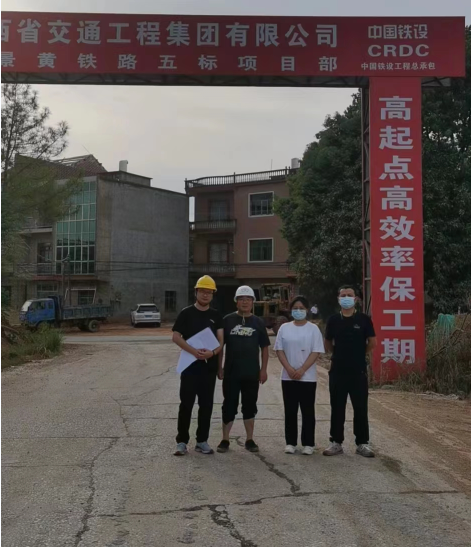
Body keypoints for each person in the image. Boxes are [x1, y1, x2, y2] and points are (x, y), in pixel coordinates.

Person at [172, 275, 224, 456]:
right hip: (190, 366)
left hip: (208, 368)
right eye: (202, 291)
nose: (205, 295)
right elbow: (176, 337)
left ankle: (202, 441)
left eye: (209, 292)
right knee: (186, 404)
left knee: (206, 405)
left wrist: (213, 354)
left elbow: (221, 342)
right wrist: (193, 351)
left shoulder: (216, 316)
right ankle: (181, 442)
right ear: (196, 292)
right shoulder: (186, 313)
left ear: (213, 294)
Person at [323, 285, 377, 458]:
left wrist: (359, 354)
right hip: (337, 371)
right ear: (338, 299)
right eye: (343, 295)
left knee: (360, 408)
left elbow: (372, 342)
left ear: (355, 299)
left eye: (349, 295)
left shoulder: (364, 319)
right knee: (337, 408)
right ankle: (336, 442)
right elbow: (328, 343)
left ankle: (362, 443)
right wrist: (339, 354)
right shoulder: (333, 320)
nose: (346, 298)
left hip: (358, 371)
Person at [217, 285, 270, 454]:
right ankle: (225, 439)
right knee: (229, 405)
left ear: (253, 302)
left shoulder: (258, 322)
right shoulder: (227, 320)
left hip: (251, 373)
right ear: (236, 302)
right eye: (241, 299)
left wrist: (263, 370)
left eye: (248, 299)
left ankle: (249, 439)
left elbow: (265, 348)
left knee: (250, 406)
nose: (245, 302)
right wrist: (219, 367)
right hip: (231, 373)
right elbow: (220, 346)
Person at [275, 296, 324, 455]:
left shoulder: (313, 329)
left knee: (307, 410)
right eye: (295, 308)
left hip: (307, 377)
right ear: (291, 310)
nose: (298, 311)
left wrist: (302, 369)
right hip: (287, 376)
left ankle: (308, 443)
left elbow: (316, 351)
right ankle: (290, 442)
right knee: (290, 410)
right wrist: (289, 369)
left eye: (301, 308)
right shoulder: (284, 328)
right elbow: (279, 350)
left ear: (307, 310)